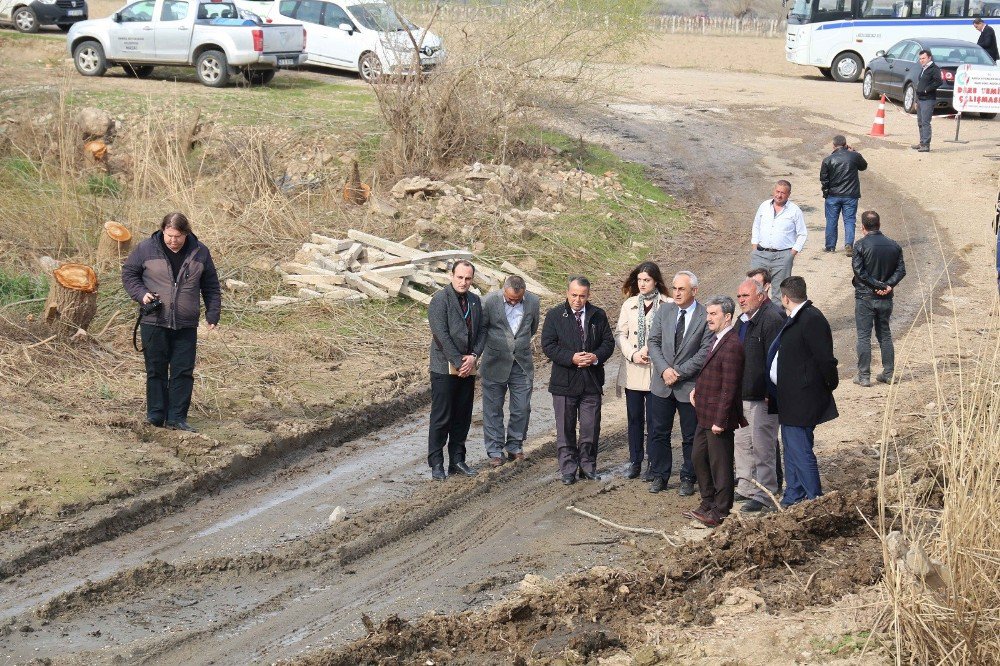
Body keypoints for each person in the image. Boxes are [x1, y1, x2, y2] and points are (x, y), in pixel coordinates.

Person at [122, 212, 221, 433]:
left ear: (186, 233)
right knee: (155, 369)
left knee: (183, 371)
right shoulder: (145, 248)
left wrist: (212, 313)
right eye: (169, 235)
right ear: (162, 231)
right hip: (154, 320)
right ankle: (156, 416)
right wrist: (141, 294)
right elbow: (129, 274)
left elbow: (211, 286)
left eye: (177, 236)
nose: (173, 241)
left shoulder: (200, 252)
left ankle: (177, 418)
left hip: (186, 323)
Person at [767, 277, 839, 508]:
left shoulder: (811, 318)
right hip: (790, 398)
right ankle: (794, 495)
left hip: (802, 399)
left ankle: (815, 500)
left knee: (800, 450)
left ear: (786, 297)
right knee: (791, 449)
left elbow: (825, 359)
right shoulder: (797, 317)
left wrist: (828, 385)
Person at [541, 276, 615, 485]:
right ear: (567, 293)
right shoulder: (555, 315)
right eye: (574, 295)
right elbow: (548, 345)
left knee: (590, 428)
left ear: (588, 295)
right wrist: (571, 358)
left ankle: (588, 466)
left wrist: (595, 357)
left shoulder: (598, 315)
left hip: (591, 381)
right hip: (564, 382)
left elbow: (608, 343)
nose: (577, 300)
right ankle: (568, 469)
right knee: (565, 428)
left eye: (582, 296)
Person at [646, 270, 713, 496]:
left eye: (681, 289)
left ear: (694, 290)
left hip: (689, 387)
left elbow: (705, 351)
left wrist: (679, 372)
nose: (676, 293)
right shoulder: (664, 310)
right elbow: (653, 342)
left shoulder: (705, 316)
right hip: (662, 385)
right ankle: (660, 475)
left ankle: (688, 476)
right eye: (674, 288)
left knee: (690, 436)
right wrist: (665, 370)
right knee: (659, 433)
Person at [686, 296, 745, 528]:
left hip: (718, 418)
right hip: (704, 412)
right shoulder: (716, 338)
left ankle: (721, 510)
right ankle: (707, 502)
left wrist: (720, 420)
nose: (708, 318)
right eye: (708, 314)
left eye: (713, 314)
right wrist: (696, 390)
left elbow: (729, 387)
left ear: (727, 317)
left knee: (720, 464)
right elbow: (710, 372)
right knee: (698, 457)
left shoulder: (732, 345)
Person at [426, 260, 483, 481]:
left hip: (468, 368)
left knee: (462, 415)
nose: (463, 282)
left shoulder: (475, 301)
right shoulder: (440, 300)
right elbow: (440, 333)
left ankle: (457, 460)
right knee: (442, 416)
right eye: (460, 277)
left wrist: (474, 357)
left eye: (468, 279)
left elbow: (482, 332)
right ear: (452, 276)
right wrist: (458, 361)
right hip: (444, 368)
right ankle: (437, 463)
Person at [477, 275, 541, 466]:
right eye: (510, 299)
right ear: (503, 289)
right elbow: (482, 328)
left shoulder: (533, 301)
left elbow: (533, 327)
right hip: (494, 362)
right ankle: (495, 450)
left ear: (524, 292)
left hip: (521, 363)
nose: (513, 302)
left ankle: (515, 445)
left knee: (521, 407)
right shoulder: (488, 301)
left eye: (517, 300)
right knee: (493, 409)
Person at [615, 262, 670, 480]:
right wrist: (633, 353)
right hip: (633, 369)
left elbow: (670, 334)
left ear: (656, 280)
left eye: (646, 280)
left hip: (656, 370)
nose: (642, 284)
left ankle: (653, 463)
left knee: (655, 421)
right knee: (635, 418)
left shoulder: (667, 304)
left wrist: (650, 349)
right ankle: (635, 461)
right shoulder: (629, 304)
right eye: (639, 280)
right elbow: (620, 334)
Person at [734, 277, 784, 513]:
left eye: (745, 296)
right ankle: (746, 486)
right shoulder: (743, 320)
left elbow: (775, 358)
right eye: (739, 297)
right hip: (742, 393)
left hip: (762, 396)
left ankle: (766, 492)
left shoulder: (772, 318)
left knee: (763, 446)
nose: (741, 300)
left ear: (761, 295)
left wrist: (769, 391)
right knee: (742, 443)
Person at [851, 211, 906, 387]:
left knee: (864, 336)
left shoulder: (860, 245)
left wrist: (878, 286)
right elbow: (901, 270)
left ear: (863, 227)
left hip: (865, 296)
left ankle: (864, 375)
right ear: (879, 224)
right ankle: (888, 373)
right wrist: (887, 285)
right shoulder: (894, 245)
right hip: (885, 297)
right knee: (885, 334)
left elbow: (860, 273)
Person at [750, 181, 808, 306]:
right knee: (755, 289)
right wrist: (754, 247)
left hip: (783, 256)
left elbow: (802, 233)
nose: (779, 195)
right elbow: (756, 226)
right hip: (760, 254)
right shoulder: (764, 206)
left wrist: (791, 254)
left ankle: (777, 322)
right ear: (773, 191)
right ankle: (756, 321)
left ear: (788, 194)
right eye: (777, 191)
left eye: (783, 193)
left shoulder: (795, 211)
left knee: (779, 292)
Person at [819, 135, 868, 256]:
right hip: (850, 195)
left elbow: (824, 179)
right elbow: (864, 166)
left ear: (833, 145)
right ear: (846, 144)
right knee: (850, 220)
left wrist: (826, 193)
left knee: (831, 221)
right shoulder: (854, 156)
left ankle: (830, 246)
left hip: (833, 195)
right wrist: (854, 152)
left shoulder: (828, 160)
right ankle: (849, 244)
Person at [913, 50, 943, 153]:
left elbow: (939, 81)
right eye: (920, 58)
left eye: (923, 58)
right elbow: (919, 85)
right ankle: (922, 142)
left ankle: (926, 145)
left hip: (928, 100)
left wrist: (927, 90)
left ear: (929, 58)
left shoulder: (934, 69)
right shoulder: (923, 69)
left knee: (925, 122)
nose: (921, 60)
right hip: (920, 99)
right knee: (920, 122)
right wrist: (916, 101)